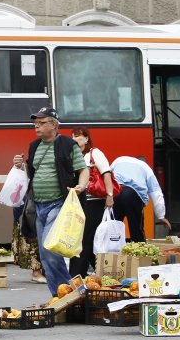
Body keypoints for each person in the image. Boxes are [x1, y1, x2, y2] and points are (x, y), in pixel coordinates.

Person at [12, 108, 89, 297]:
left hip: (59, 204)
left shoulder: (68, 144)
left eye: (41, 122)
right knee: (46, 257)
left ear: (53, 124)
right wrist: (19, 165)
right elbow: (31, 173)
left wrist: (80, 186)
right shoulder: (34, 146)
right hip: (38, 206)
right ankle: (61, 295)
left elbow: (83, 170)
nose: (36, 126)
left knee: (49, 250)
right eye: (35, 123)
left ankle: (67, 294)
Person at [68, 127, 115, 277]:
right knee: (82, 238)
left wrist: (109, 195)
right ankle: (100, 271)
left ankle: (77, 274)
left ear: (87, 138)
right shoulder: (72, 155)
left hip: (94, 202)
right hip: (78, 202)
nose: (75, 139)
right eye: (73, 137)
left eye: (79, 136)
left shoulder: (95, 153)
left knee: (85, 238)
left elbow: (106, 174)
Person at [110, 156, 171, 243]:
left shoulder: (119, 159)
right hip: (132, 195)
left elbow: (107, 175)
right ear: (145, 162)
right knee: (136, 230)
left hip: (115, 193)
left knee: (113, 230)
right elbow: (156, 192)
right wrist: (161, 216)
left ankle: (112, 252)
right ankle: (139, 253)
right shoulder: (146, 167)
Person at [11, 204, 45, 283]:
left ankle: (39, 271)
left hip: (26, 204)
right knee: (32, 236)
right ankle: (36, 272)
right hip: (28, 206)